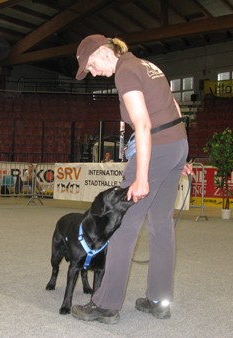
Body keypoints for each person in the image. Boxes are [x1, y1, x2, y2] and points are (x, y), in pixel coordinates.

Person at [71, 34, 188, 324]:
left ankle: (106, 305)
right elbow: (173, 106)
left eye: (90, 65)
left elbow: (143, 123)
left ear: (102, 51)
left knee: (122, 225)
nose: (93, 73)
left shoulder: (124, 71)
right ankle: (159, 300)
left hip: (157, 147)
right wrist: (180, 155)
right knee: (161, 225)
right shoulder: (146, 65)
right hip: (176, 143)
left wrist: (142, 176)